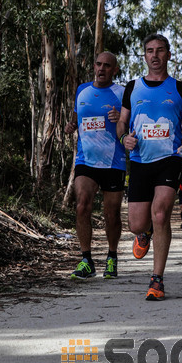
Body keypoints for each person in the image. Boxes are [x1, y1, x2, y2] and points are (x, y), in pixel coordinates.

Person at [116, 34, 182, 300]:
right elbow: (122, 124)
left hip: (169, 160)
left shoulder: (181, 89)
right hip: (139, 160)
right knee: (137, 223)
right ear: (145, 56)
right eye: (150, 51)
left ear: (169, 54)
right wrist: (123, 137)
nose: (155, 55)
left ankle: (157, 280)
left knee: (161, 214)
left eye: (160, 50)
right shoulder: (132, 87)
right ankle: (144, 233)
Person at [64, 52, 126, 280]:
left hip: (113, 161)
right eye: (98, 64)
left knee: (112, 214)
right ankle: (86, 260)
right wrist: (70, 126)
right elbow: (76, 118)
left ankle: (112, 257)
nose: (101, 69)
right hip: (86, 159)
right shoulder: (82, 90)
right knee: (82, 205)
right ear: (94, 66)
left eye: (107, 66)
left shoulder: (121, 93)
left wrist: (121, 117)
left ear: (114, 70)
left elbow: (131, 123)